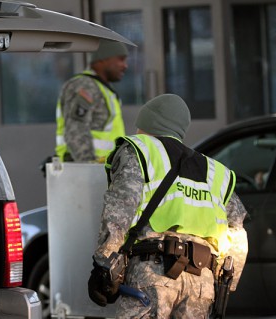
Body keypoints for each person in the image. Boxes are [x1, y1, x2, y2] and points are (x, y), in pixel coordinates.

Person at [88, 94, 249, 318]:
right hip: (201, 282)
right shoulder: (216, 172)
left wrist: (104, 265)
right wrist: (224, 285)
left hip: (152, 274)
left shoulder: (140, 150)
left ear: (150, 124)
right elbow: (238, 235)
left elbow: (120, 210)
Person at [55, 39, 128, 163]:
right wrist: (88, 169)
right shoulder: (84, 86)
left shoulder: (103, 88)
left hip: (101, 170)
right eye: (120, 59)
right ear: (102, 59)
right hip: (86, 172)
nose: (125, 65)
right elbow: (76, 131)